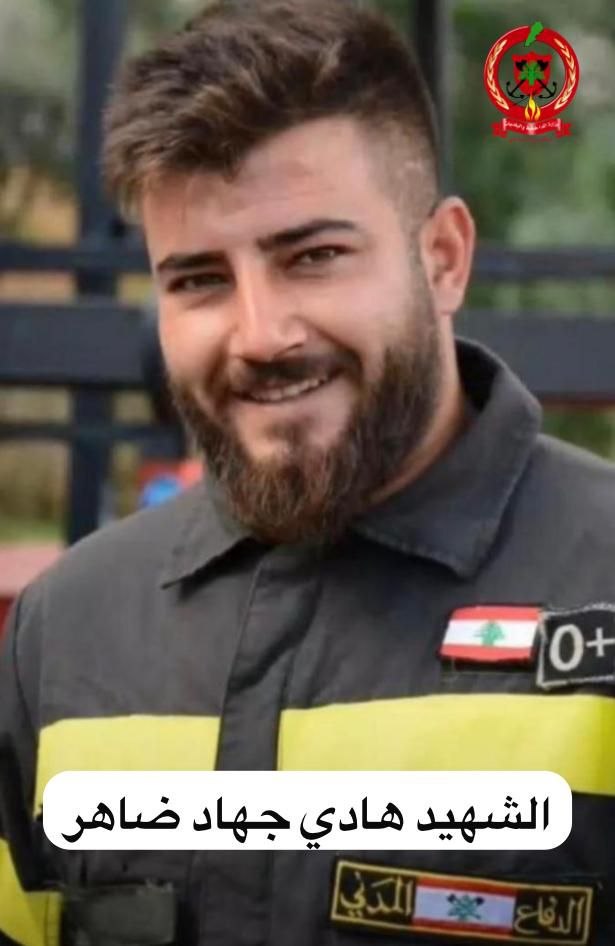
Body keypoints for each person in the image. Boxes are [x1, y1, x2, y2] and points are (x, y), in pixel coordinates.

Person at [1, 1, 614, 943]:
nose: (260, 335)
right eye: (198, 279)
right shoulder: (68, 627)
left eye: (314, 256)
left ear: (443, 259)